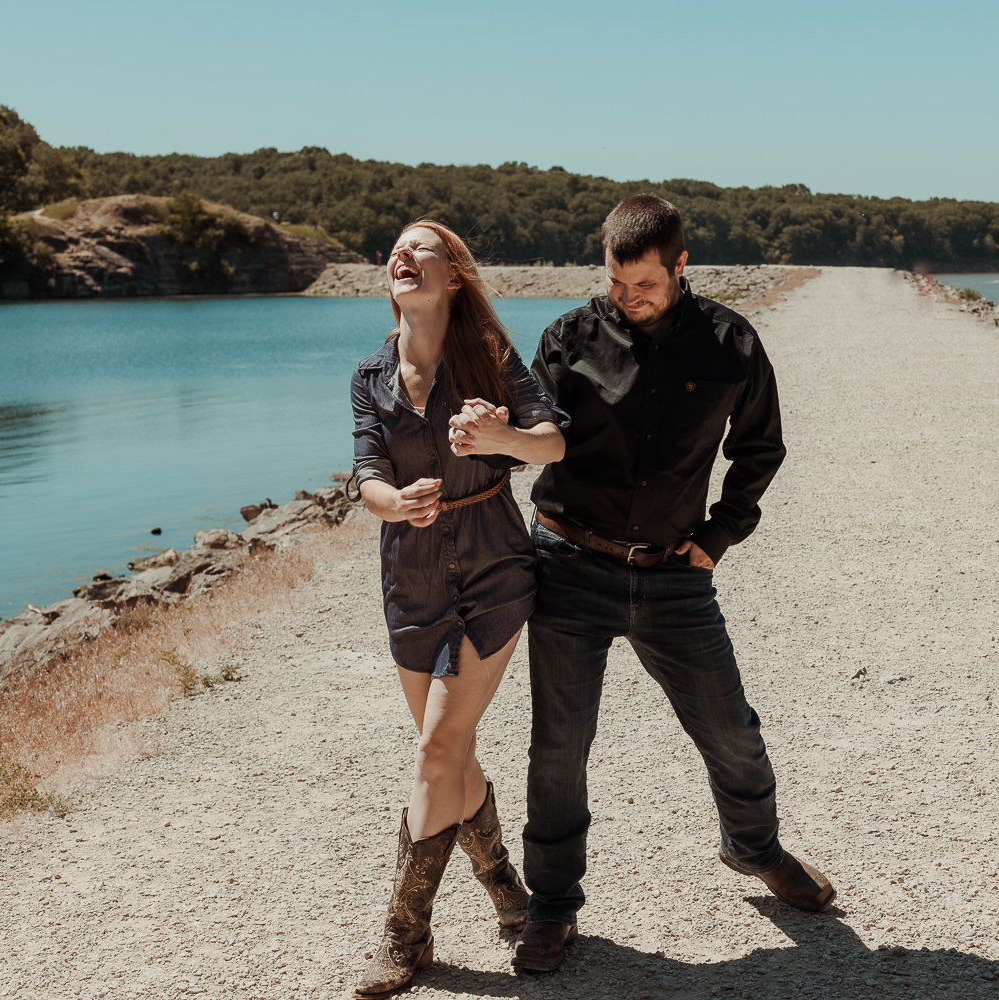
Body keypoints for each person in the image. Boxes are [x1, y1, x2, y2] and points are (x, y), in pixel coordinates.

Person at [513, 194, 835, 972]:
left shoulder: (731, 343)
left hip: (673, 576)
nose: (628, 298)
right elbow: (531, 432)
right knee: (560, 749)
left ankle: (754, 848)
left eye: (645, 284)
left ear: (681, 266)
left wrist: (720, 535)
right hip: (567, 563)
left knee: (731, 730)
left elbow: (762, 449)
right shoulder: (568, 338)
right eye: (618, 283)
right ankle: (552, 907)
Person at [348, 220, 568, 996]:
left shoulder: (491, 357)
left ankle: (404, 936)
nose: (402, 257)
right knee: (454, 756)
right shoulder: (371, 374)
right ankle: (509, 889)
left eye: (422, 250)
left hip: (492, 568)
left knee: (435, 753)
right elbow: (365, 473)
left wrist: (503, 434)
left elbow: (551, 444)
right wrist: (392, 503)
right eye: (397, 251)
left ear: (453, 278)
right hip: (410, 578)